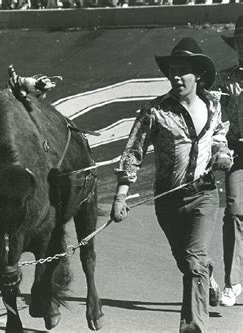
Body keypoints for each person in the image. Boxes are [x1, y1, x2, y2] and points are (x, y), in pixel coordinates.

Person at [110, 37, 233, 332]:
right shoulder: (155, 112)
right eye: (172, 71)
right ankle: (209, 276)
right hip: (167, 202)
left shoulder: (214, 105)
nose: (176, 76)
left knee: (193, 263)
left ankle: (193, 326)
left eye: (182, 71)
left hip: (204, 196)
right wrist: (120, 195)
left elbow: (220, 141)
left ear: (198, 75)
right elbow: (133, 152)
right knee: (188, 262)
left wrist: (222, 156)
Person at [214, 14, 243, 307]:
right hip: (238, 153)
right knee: (235, 212)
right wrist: (221, 148)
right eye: (240, 43)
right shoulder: (224, 79)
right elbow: (217, 122)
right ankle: (232, 282)